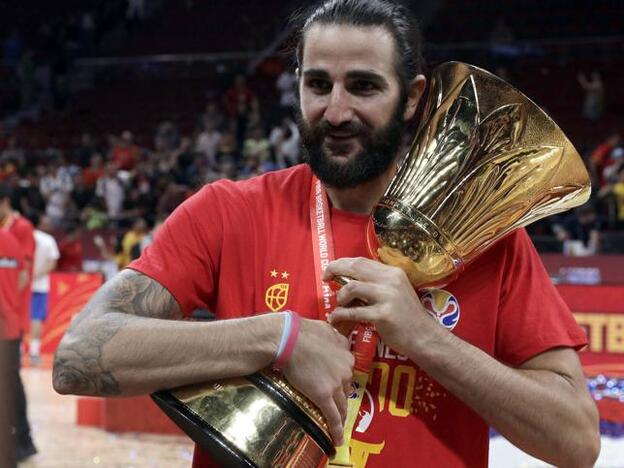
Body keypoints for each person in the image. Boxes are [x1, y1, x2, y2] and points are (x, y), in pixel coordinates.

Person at [53, 2, 599, 467]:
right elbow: (78, 356)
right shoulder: (226, 212)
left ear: (411, 97)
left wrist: (425, 339)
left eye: (363, 87)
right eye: (318, 84)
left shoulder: (489, 240)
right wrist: (277, 338)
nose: (335, 112)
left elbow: (577, 441)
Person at [0, 213, 36, 464]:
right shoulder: (10, 240)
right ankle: (22, 441)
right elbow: (23, 278)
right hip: (10, 324)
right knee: (11, 383)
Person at [30, 214, 60, 364]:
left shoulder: (23, 238)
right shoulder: (48, 240)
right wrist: (37, 275)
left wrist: (28, 276)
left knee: (18, 318)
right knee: (36, 318)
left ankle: (16, 350)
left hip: (22, 284)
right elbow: (52, 262)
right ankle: (34, 353)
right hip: (40, 285)